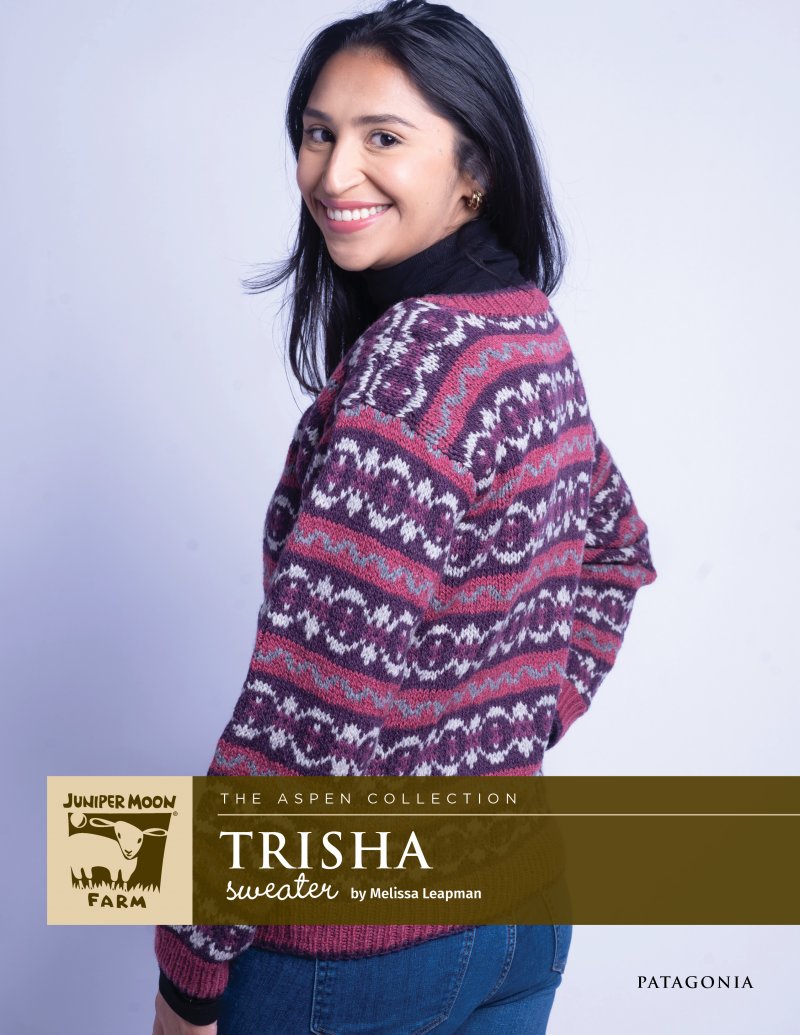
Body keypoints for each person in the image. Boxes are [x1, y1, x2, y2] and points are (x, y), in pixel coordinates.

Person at [151, 1, 657, 1032]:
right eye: (317, 132)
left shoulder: (415, 366)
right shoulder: (519, 332)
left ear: (475, 171)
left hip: (356, 957)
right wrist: (496, 740)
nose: (334, 173)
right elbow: (617, 552)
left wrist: (187, 965)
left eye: (382, 137)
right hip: (517, 910)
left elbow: (308, 708)